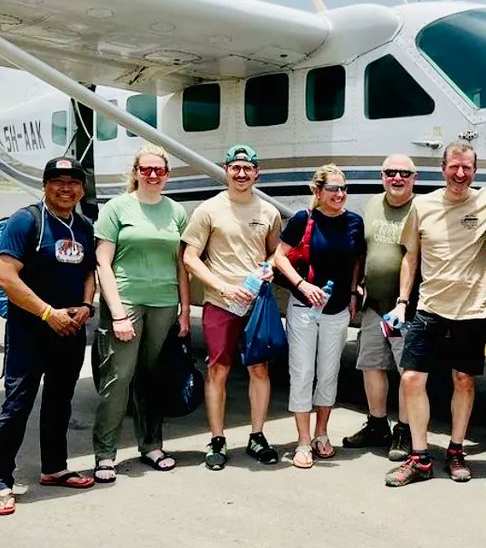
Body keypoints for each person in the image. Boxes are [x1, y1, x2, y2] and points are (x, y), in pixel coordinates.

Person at [384, 140, 486, 486]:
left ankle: (456, 450)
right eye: (453, 167)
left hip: (472, 309)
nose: (459, 173)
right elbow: (411, 256)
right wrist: (401, 300)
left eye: (466, 168)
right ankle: (420, 456)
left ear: (474, 170)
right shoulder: (422, 206)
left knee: (463, 380)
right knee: (411, 378)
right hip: (429, 307)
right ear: (442, 169)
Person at [0, 156, 97, 516]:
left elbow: (88, 272)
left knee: (59, 402)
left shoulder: (83, 225)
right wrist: (47, 313)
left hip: (69, 329)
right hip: (30, 330)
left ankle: (54, 467)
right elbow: (6, 276)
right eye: (58, 181)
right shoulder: (26, 220)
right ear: (45, 185)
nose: (66, 188)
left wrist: (85, 305)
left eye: (73, 182)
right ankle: (1, 480)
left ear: (82, 188)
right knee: (17, 405)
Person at [90, 145, 191, 483]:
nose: (152, 175)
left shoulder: (176, 211)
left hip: (164, 302)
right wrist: (117, 312)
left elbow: (180, 265)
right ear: (135, 172)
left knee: (151, 376)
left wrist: (185, 309)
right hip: (126, 300)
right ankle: (105, 453)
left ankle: (151, 445)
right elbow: (103, 261)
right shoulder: (116, 208)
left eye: (159, 170)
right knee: (118, 379)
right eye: (146, 169)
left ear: (167, 175)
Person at [182, 144, 282, 470]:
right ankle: (217, 439)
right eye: (235, 168)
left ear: (257, 173)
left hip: (255, 304)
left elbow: (275, 253)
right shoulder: (208, 210)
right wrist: (223, 287)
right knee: (218, 369)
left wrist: (269, 267)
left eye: (248, 168)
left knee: (259, 370)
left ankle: (256, 436)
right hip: (220, 302)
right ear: (225, 170)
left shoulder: (268, 212)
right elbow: (189, 257)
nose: (241, 173)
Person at [272, 164, 365, 469]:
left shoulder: (354, 222)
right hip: (303, 309)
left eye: (343, 188)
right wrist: (301, 285)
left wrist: (353, 292)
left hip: (337, 310)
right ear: (317, 191)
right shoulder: (304, 219)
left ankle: (321, 434)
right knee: (302, 374)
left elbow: (355, 260)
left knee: (328, 374)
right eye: (333, 188)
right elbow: (279, 257)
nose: (339, 194)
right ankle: (302, 440)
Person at [343, 154, 417, 460]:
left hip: (405, 307)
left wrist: (404, 301)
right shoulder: (372, 205)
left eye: (404, 173)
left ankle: (404, 430)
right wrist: (353, 289)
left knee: (406, 372)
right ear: (382, 176)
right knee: (372, 366)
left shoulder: (420, 209)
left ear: (415, 178)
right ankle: (377, 425)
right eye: (390, 173)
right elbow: (361, 252)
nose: (397, 178)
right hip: (373, 303)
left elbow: (414, 256)